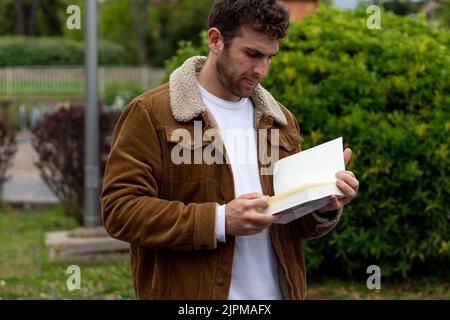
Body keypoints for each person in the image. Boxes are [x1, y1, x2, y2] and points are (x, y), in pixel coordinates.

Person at [100, 0, 359, 300]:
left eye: (269, 57)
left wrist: (324, 205)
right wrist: (220, 221)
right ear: (215, 40)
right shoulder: (152, 113)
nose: (261, 69)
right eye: (252, 54)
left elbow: (291, 224)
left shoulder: (280, 120)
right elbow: (119, 211)